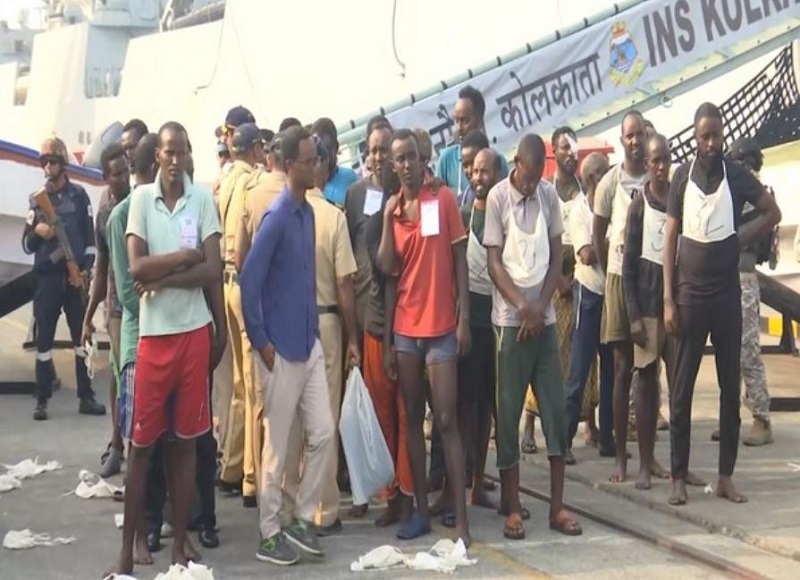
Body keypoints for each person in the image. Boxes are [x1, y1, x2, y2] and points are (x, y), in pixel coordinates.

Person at [107, 122, 226, 575]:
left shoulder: (202, 199)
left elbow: (212, 270)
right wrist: (183, 257)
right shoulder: (139, 201)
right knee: (142, 447)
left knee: (185, 445)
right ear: (157, 155)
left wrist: (164, 276)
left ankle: (180, 544)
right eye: (168, 152)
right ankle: (126, 552)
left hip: (194, 333)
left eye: (182, 152)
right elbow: (136, 267)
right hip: (154, 339)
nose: (176, 161)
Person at [663, 103, 780, 506]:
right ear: (695, 138)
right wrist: (668, 298)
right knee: (681, 390)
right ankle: (678, 476)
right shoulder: (681, 177)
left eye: (716, 135)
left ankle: (726, 476)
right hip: (690, 294)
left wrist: (739, 237)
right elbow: (670, 240)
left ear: (723, 133)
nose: (711, 143)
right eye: (704, 136)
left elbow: (771, 212)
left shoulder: (736, 174)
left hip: (726, 292)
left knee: (731, 387)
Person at [240, 126, 335, 566]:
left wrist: (312, 331)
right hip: (280, 351)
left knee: (322, 433)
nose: (317, 165)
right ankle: (270, 533)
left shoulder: (308, 213)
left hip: (308, 345)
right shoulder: (278, 217)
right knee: (277, 450)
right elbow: (249, 282)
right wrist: (262, 343)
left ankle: (300, 520)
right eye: (311, 160)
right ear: (292, 166)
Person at [484, 133, 581, 541]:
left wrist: (541, 306)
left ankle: (557, 507)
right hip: (511, 322)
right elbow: (493, 262)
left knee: (555, 411)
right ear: (516, 166)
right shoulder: (497, 199)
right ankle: (512, 508)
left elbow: (557, 254)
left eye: (537, 176)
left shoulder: (548, 197)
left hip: (542, 321)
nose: (531, 184)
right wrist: (521, 308)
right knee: (508, 415)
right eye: (526, 176)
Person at [377, 129, 471, 546]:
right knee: (412, 419)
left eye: (412, 156)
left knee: (447, 421)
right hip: (405, 331)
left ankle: (463, 520)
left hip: (441, 331)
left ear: (422, 158)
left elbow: (461, 262)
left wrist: (464, 318)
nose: (407, 164)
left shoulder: (444, 199)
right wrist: (385, 219)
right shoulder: (394, 211)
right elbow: (386, 269)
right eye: (400, 159)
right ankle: (420, 514)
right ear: (393, 166)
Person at [282, 140, 360, 538]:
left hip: (290, 325)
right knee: (323, 418)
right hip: (326, 323)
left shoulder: (283, 213)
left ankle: (290, 501)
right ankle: (322, 509)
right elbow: (345, 282)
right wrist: (353, 336)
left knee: (291, 417)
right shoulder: (332, 217)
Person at [524, 126, 598, 465]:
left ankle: (588, 423)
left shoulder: (585, 193)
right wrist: (557, 281)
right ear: (554, 152)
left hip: (581, 280)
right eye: (564, 148)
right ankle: (529, 424)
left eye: (574, 148)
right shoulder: (544, 192)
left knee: (582, 360)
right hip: (551, 280)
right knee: (547, 356)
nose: (571, 154)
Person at [22, 136, 105, 421]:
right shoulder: (36, 201)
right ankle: (42, 399)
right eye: (44, 161)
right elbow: (26, 245)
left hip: (74, 280)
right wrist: (39, 233)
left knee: (81, 341)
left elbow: (90, 240)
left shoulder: (80, 196)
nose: (48, 165)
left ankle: (86, 396)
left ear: (63, 162)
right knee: (43, 342)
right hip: (47, 280)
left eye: (53, 160)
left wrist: (84, 270)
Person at [106, 133, 157, 563]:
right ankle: (136, 538)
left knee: (163, 446)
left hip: (162, 335)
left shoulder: (161, 210)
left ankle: (155, 531)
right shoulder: (121, 216)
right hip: (137, 341)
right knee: (139, 448)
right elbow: (127, 291)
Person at [592, 110, 648, 482]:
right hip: (616, 278)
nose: (635, 140)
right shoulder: (610, 182)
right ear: (622, 138)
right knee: (620, 367)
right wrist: (605, 265)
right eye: (629, 135)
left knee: (649, 369)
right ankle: (619, 455)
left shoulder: (660, 175)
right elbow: (598, 231)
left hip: (649, 280)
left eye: (639, 134)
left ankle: (648, 457)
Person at [622, 134, 673, 490]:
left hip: (674, 308)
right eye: (654, 160)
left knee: (678, 385)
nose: (659, 166)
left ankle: (675, 466)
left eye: (664, 160)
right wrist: (634, 315)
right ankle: (643, 462)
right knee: (644, 382)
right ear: (647, 163)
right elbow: (627, 265)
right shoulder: (639, 204)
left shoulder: (678, 200)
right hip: (646, 305)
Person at [217, 122, 263, 506]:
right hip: (242, 281)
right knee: (252, 383)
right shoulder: (251, 181)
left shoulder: (225, 179)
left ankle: (230, 465)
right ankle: (250, 477)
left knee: (236, 382)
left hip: (223, 281)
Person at [561, 152, 615, 459]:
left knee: (611, 372)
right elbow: (586, 255)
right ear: (594, 179)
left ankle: (607, 438)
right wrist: (612, 243)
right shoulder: (579, 211)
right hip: (589, 293)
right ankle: (565, 441)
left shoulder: (615, 205)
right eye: (603, 174)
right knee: (578, 372)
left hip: (611, 293)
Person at [81, 143, 130, 477]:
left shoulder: (141, 202)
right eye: (117, 174)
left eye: (127, 171)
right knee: (116, 375)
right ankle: (116, 445)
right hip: (116, 307)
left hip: (142, 305)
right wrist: (87, 316)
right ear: (105, 177)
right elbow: (102, 267)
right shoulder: (105, 211)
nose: (124, 178)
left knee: (137, 379)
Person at [459, 148, 503, 509]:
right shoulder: (462, 215)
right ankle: (464, 478)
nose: (478, 178)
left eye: (485, 172)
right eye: (474, 172)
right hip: (469, 317)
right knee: (467, 404)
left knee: (490, 404)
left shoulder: (504, 217)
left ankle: (478, 482)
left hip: (498, 318)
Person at [724, 137, 775, 446]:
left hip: (743, 278)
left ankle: (761, 417)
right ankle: (730, 418)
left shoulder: (754, 195)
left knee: (746, 350)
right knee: (728, 352)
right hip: (725, 277)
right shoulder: (735, 192)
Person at [435, 85, 508, 203]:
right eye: (456, 120)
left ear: (479, 120)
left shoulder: (498, 160)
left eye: (464, 120)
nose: (459, 127)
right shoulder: (446, 160)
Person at [311, 117, 358, 207]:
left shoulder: (350, 178)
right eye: (318, 149)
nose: (322, 154)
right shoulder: (307, 183)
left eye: (326, 148)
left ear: (336, 147)